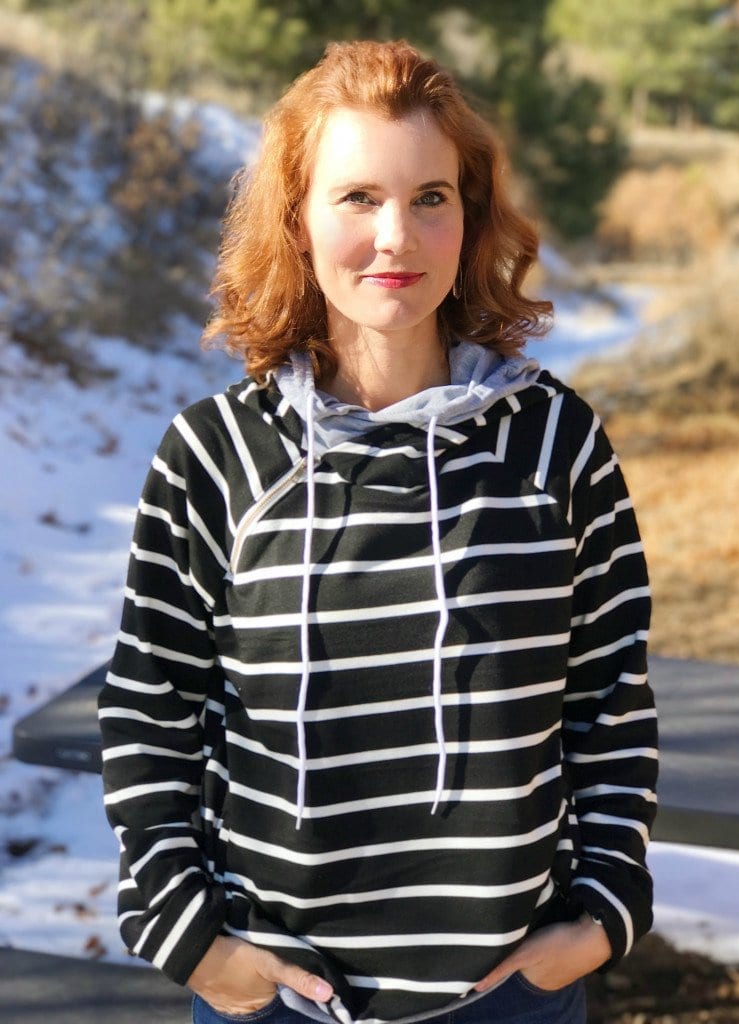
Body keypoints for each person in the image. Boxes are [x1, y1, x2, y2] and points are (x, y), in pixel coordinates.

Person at [98, 39, 657, 1024]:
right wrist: (193, 944)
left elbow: (610, 696)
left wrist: (603, 917)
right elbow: (151, 716)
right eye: (358, 197)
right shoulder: (214, 458)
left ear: (469, 218)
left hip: (512, 1004)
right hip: (276, 1006)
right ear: (298, 221)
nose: (396, 236)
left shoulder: (557, 444)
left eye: (430, 196)